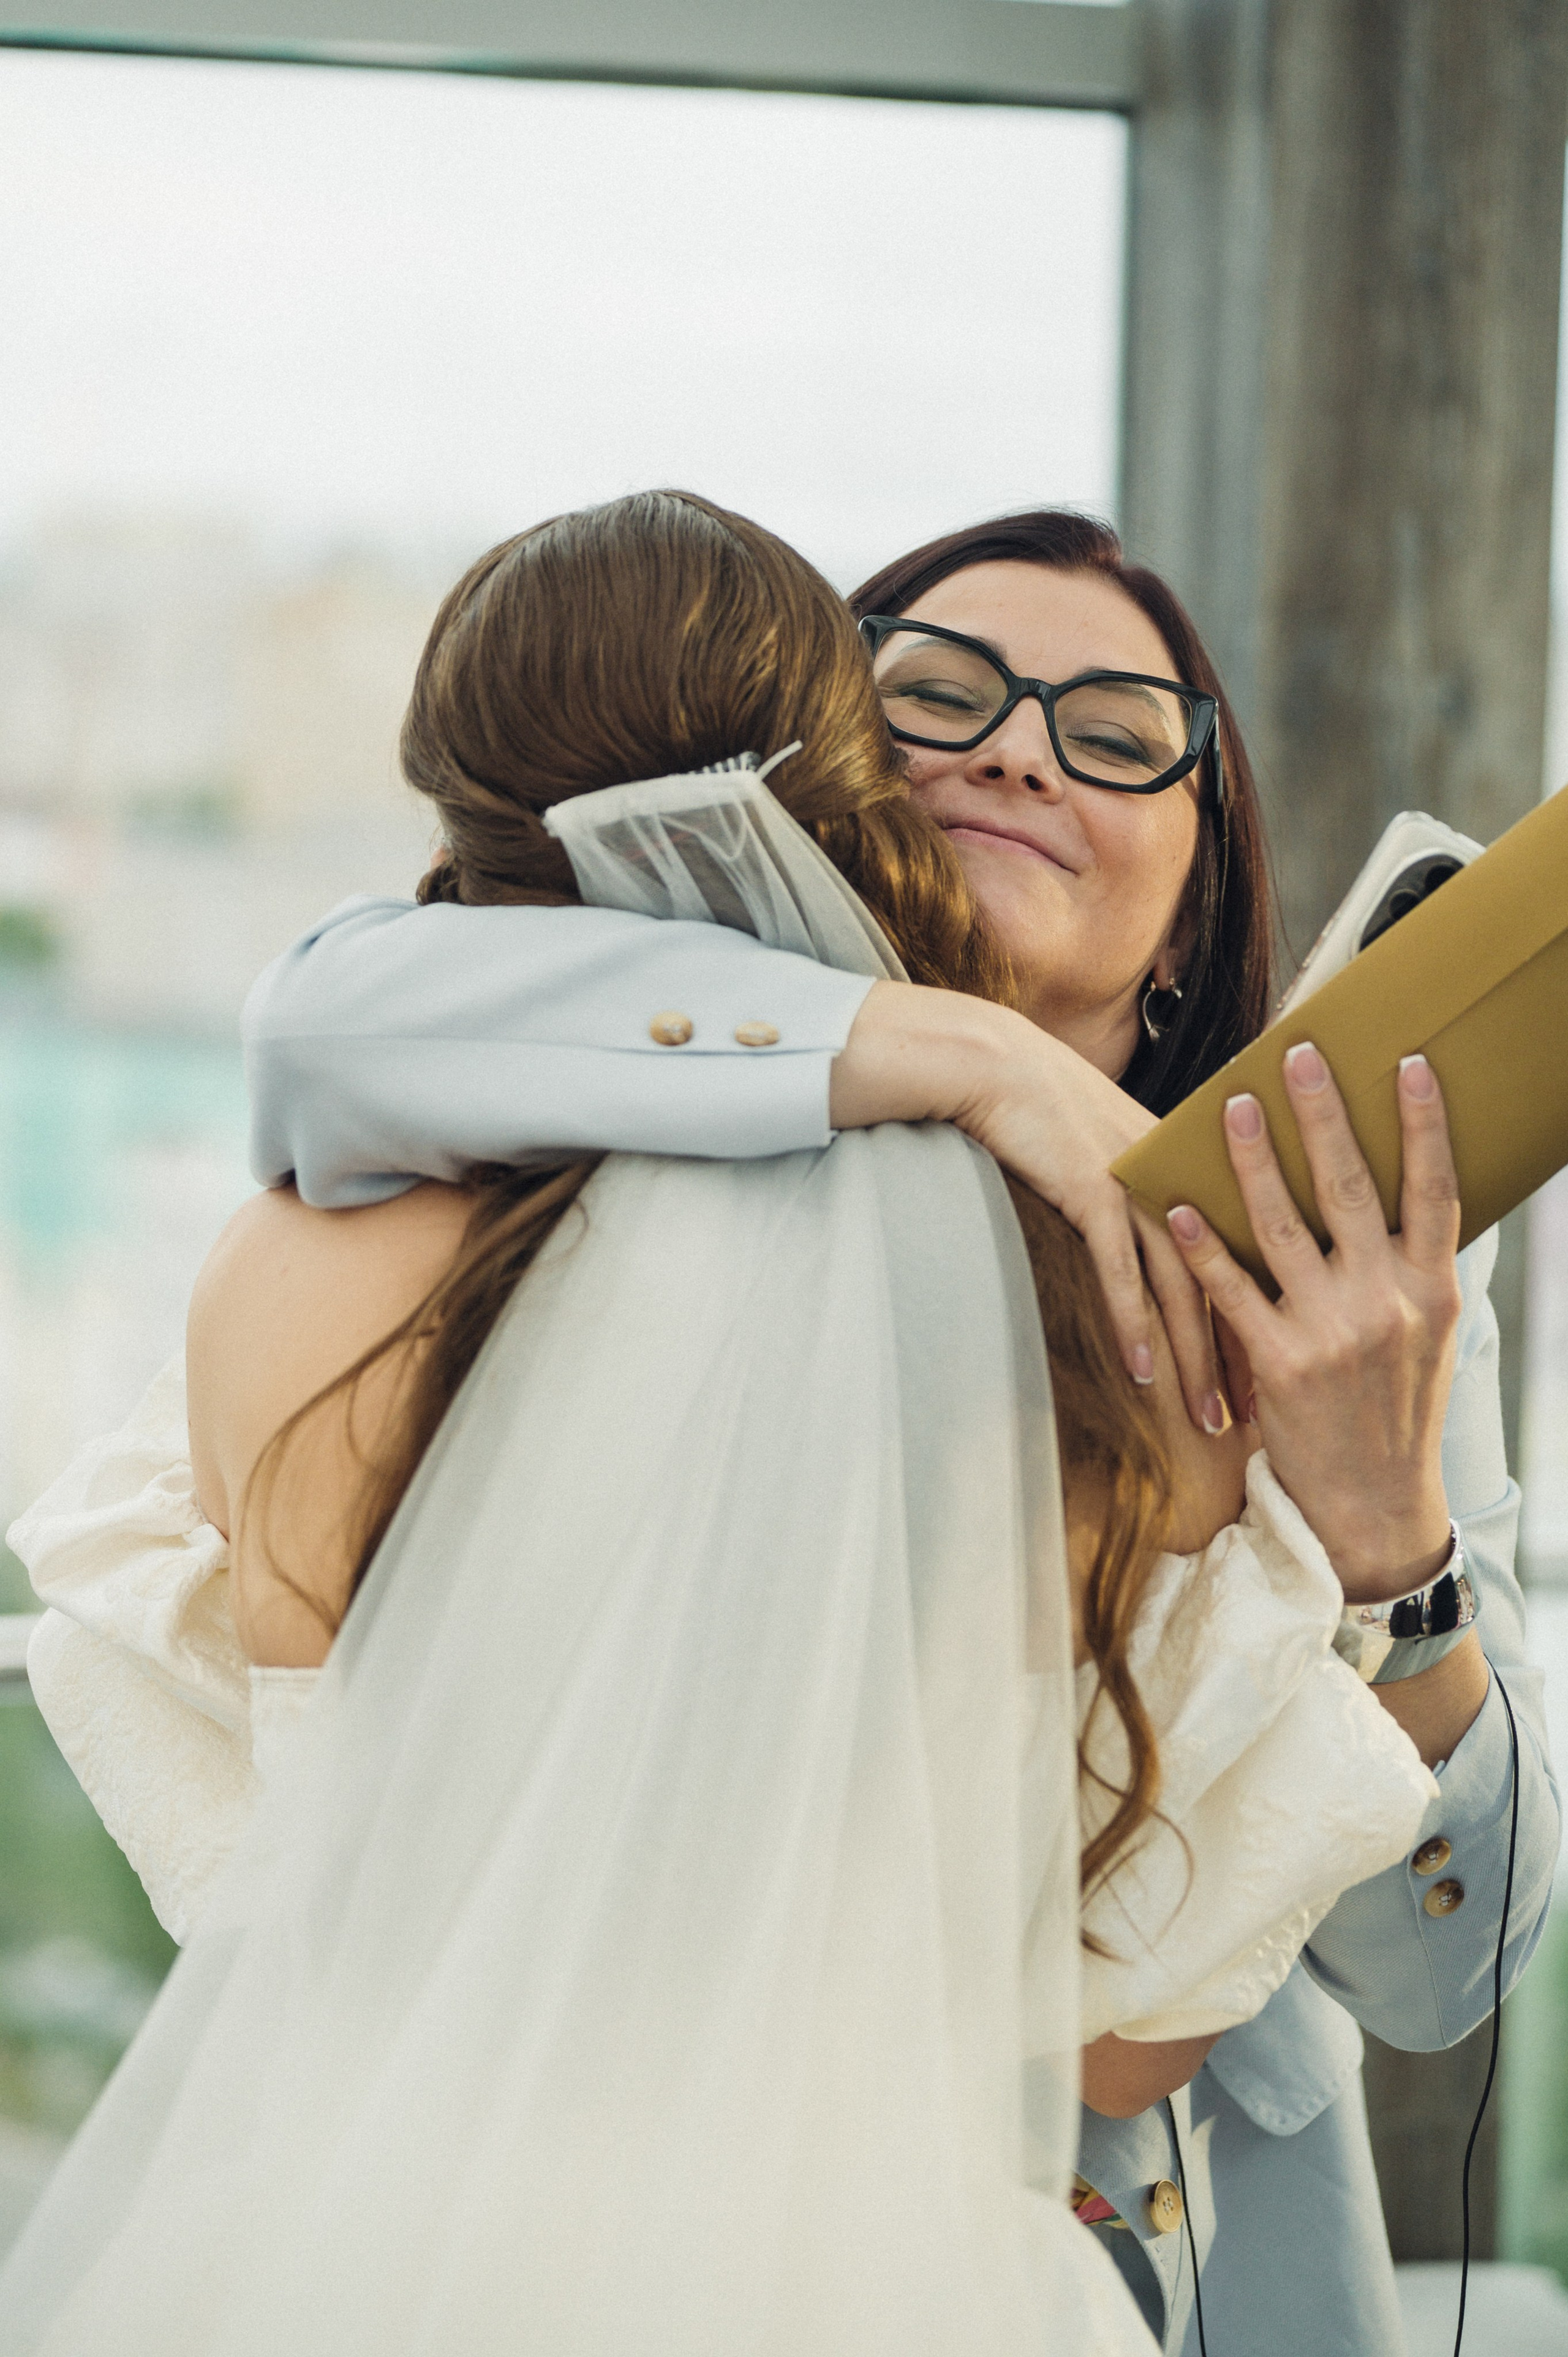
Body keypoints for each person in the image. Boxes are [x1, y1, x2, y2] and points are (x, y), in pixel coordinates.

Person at [4, 494, 1436, 2357]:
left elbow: (244, 1853)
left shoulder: (291, 1258)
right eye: (946, 701)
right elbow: (1121, 2033)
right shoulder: (1125, 1347)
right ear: (825, 787)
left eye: (1111, 729)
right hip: (870, 2280)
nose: (1017, 749)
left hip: (355, 2238)